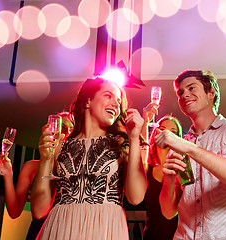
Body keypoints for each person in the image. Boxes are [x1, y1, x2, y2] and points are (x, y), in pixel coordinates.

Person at [31, 77, 147, 240]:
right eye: (108, 96)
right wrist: (45, 159)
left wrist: (134, 138)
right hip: (61, 229)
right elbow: (38, 210)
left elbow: (135, 197)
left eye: (118, 101)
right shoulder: (60, 147)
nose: (115, 104)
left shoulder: (122, 144)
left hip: (105, 229)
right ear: (87, 101)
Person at [155, 70, 226, 239]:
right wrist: (168, 179)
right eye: (180, 93)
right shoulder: (180, 145)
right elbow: (168, 212)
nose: (185, 95)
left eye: (191, 88)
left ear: (211, 92)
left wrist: (190, 149)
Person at [0, 111, 73, 240]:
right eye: (58, 127)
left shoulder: (75, 170)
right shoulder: (31, 167)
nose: (62, 133)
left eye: (67, 129)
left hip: (65, 232)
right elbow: (14, 211)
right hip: (38, 233)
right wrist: (8, 175)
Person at [142, 115, 182, 240]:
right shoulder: (147, 167)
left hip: (178, 234)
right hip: (152, 233)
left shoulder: (182, 168)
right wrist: (145, 120)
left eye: (172, 132)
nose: (166, 134)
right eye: (162, 129)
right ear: (155, 133)